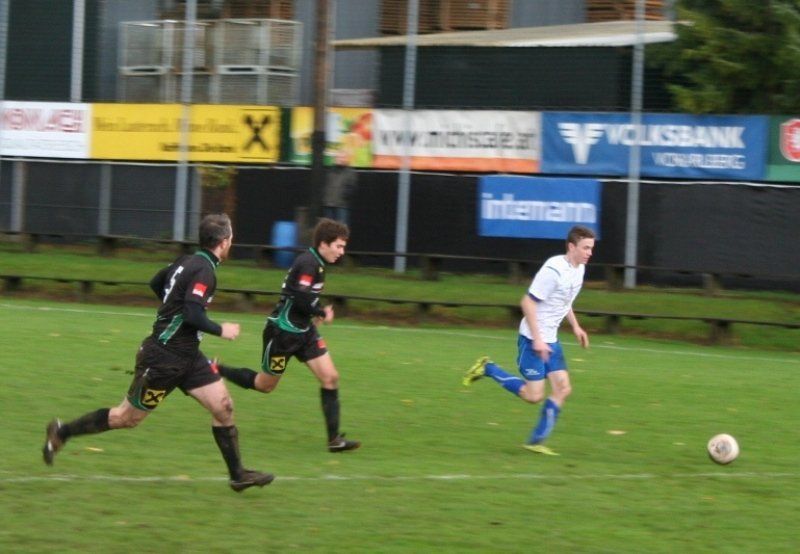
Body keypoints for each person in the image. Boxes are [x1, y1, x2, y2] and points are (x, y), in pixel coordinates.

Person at [42, 214, 274, 492]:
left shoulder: (186, 261)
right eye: (231, 237)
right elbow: (192, 313)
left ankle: (238, 476)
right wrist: (220, 329)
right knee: (126, 418)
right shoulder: (204, 271)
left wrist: (171, 307)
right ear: (223, 242)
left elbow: (157, 282)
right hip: (163, 358)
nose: (232, 242)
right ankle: (62, 432)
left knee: (223, 407)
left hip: (189, 356)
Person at [216, 218, 360, 453]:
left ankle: (334, 440)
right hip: (283, 334)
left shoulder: (317, 263)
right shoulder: (308, 263)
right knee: (265, 385)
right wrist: (321, 312)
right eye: (339, 246)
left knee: (330, 378)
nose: (342, 252)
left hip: (305, 332)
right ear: (324, 243)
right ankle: (218, 369)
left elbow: (304, 297)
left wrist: (315, 311)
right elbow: (301, 297)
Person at [462, 225, 596, 456]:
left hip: (551, 340)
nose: (589, 253)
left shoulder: (579, 270)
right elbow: (527, 302)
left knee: (563, 388)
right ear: (571, 247)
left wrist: (575, 326)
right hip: (532, 340)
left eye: (591, 248)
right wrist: (538, 340)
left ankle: (536, 442)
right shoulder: (553, 270)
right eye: (585, 248)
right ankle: (488, 368)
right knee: (534, 396)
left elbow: (564, 301)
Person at [321, 155, 357, 227]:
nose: (339, 159)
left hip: (341, 205)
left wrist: (345, 196)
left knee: (341, 228)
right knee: (328, 228)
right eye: (338, 157)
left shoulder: (350, 172)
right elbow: (324, 184)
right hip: (328, 203)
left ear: (347, 159)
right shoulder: (330, 170)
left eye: (342, 157)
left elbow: (352, 187)